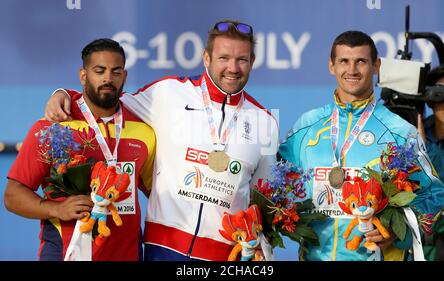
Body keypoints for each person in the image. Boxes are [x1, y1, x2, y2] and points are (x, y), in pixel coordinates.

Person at [44, 20, 279, 261]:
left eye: (241, 59)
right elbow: (107, 101)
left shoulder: (266, 122)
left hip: (225, 255)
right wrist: (65, 94)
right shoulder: (168, 93)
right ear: (206, 58)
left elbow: (262, 199)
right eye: (224, 58)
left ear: (252, 62)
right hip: (163, 249)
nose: (233, 67)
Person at [278, 30, 444, 261]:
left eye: (361, 62)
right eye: (344, 61)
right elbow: (274, 183)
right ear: (331, 66)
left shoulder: (399, 131)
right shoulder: (307, 126)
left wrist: (399, 233)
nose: (352, 70)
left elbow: (434, 193)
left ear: (376, 66)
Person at [4, 38, 156, 261]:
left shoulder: (144, 130)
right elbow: (12, 195)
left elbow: (158, 191)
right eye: (99, 71)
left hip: (127, 254)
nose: (108, 78)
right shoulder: (53, 127)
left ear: (124, 77)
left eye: (116, 72)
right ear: (83, 76)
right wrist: (56, 210)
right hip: (66, 253)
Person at [419, 64, 444, 261]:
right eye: (441, 94)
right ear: (430, 100)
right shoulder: (411, 135)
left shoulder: (424, 144)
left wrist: (425, 150)